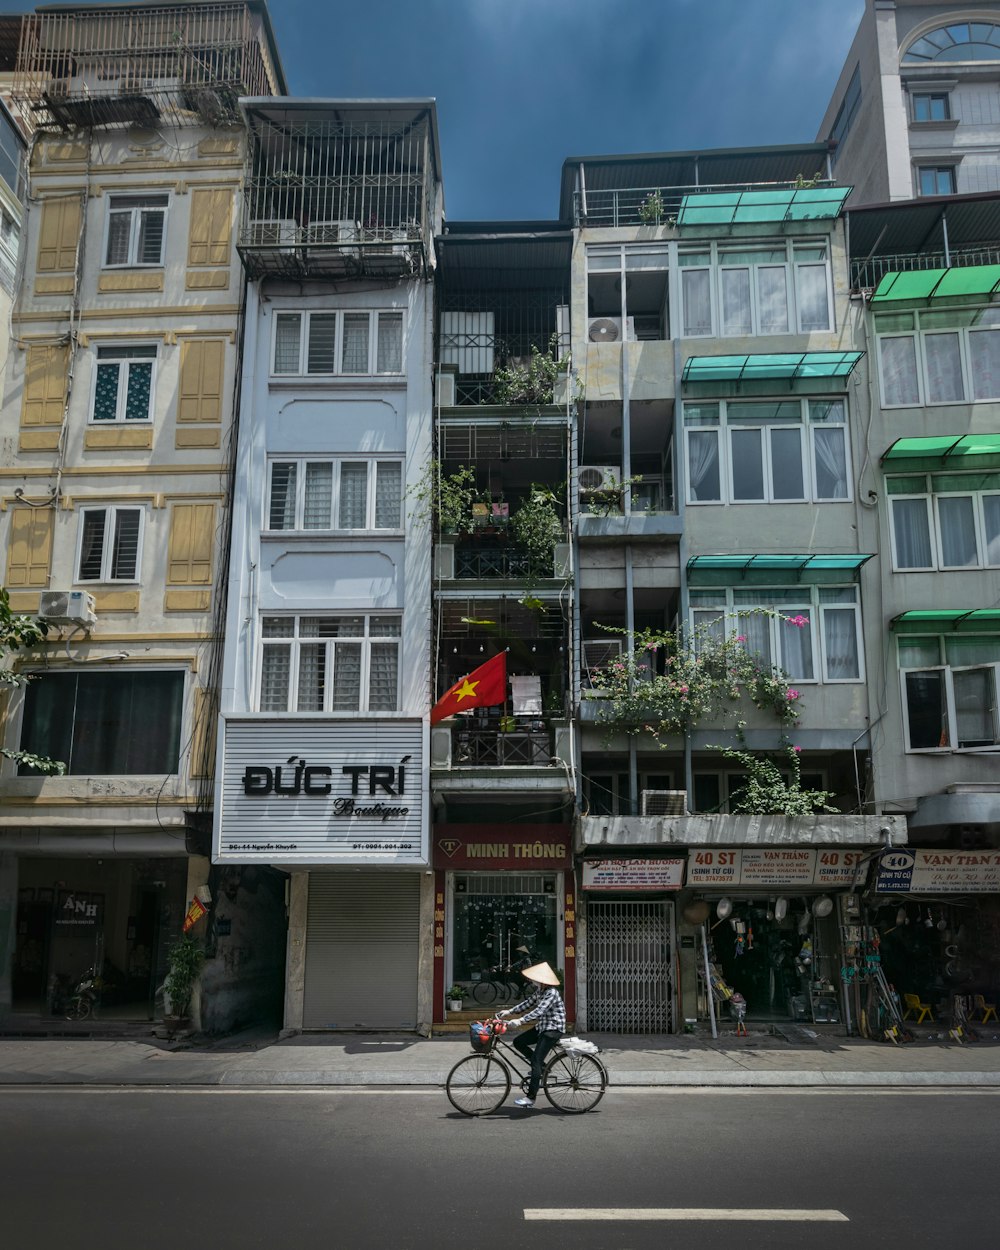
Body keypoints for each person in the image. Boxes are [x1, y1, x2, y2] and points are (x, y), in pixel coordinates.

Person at [499, 960, 565, 1108]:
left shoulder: (551, 993)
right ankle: (541, 1067)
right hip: (542, 1026)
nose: (533, 981)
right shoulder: (540, 991)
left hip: (553, 1029)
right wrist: (509, 1011)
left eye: (535, 979)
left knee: (535, 1060)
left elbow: (539, 1011)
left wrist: (520, 1021)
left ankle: (531, 1097)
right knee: (518, 1042)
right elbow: (528, 1003)